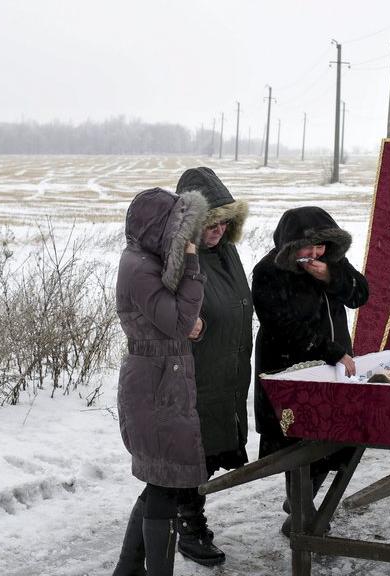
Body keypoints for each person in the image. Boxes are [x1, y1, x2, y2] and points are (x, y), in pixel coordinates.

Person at [252, 206, 369, 533]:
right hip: (290, 369)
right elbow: (282, 326)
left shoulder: (331, 261)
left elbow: (360, 294)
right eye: (308, 247)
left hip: (333, 368)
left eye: (321, 246)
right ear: (290, 246)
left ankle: (300, 500)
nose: (316, 253)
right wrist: (329, 351)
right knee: (298, 445)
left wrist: (332, 277)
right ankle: (302, 521)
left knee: (335, 441)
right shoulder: (268, 272)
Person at [112, 187, 208, 576]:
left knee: (160, 482)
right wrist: (193, 266)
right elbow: (179, 321)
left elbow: (177, 324)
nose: (183, 239)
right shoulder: (138, 267)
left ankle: (127, 570)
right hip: (154, 387)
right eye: (177, 229)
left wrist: (190, 326)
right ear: (158, 228)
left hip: (163, 381)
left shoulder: (146, 261)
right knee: (163, 483)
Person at [171, 167, 253, 566]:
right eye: (210, 222)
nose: (218, 229)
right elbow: (158, 309)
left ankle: (182, 515)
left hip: (227, 367)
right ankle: (188, 526)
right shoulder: (177, 255)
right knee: (192, 451)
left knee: (213, 444)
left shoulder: (226, 252)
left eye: (225, 221)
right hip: (194, 371)